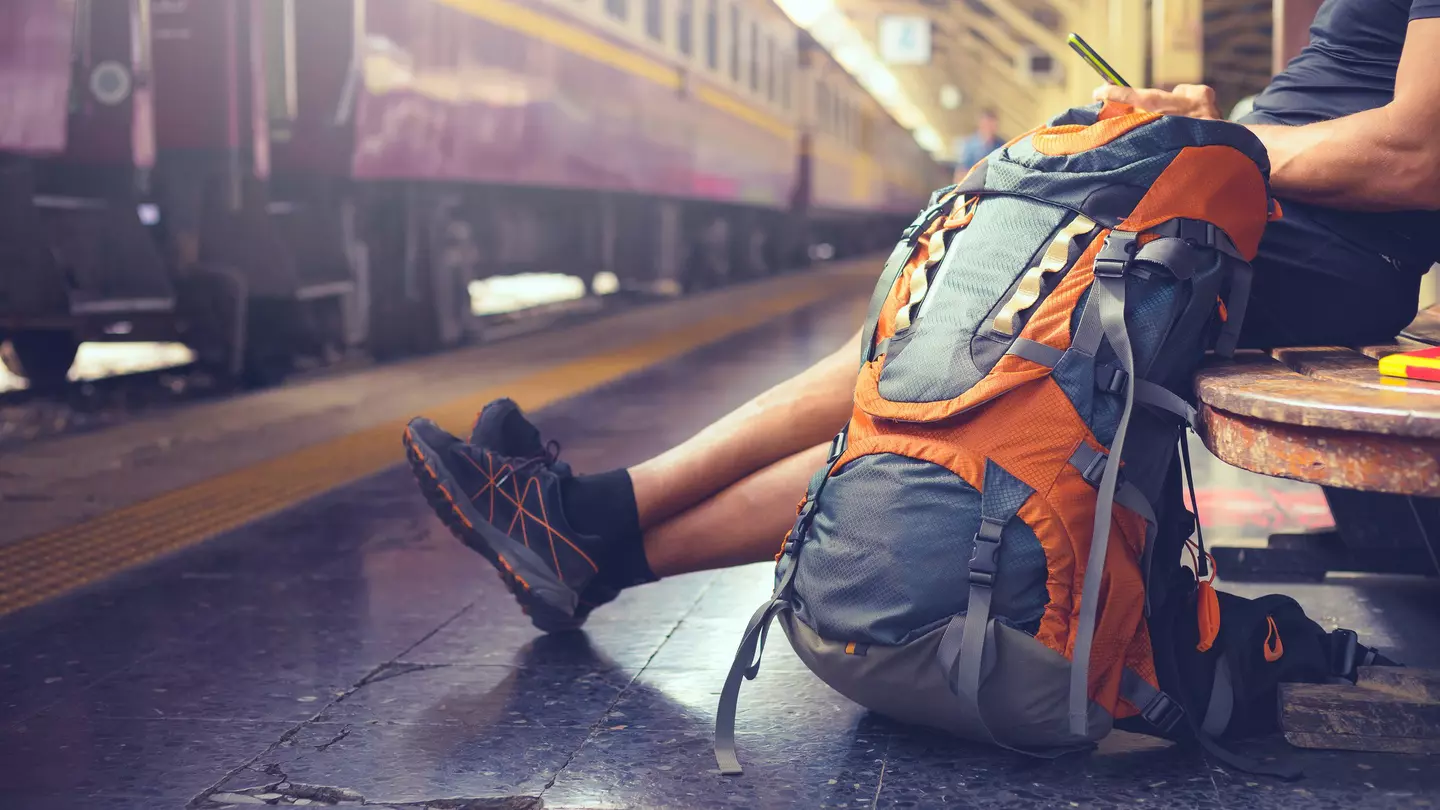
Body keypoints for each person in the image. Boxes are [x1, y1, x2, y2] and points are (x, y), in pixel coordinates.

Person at [402, 0, 1440, 631]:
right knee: (927, 340)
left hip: (1294, 248)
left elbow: (1415, 153)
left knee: (963, 382)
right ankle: (594, 526)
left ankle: (595, 531)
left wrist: (1222, 147)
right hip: (1248, 220)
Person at [952, 108, 1004, 182]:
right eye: (987, 124)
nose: (989, 128)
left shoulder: (1002, 145)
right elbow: (960, 173)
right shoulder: (969, 145)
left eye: (992, 124)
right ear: (981, 124)